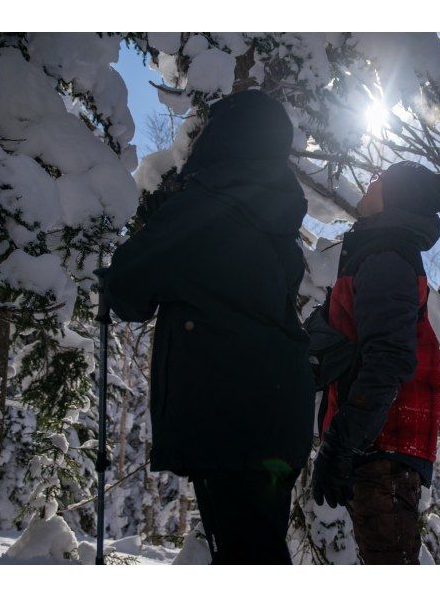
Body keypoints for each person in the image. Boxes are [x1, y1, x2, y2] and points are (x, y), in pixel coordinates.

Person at [102, 90, 315, 564]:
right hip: (277, 415)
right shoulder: (277, 216)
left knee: (244, 558)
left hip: (229, 419)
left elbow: (128, 288)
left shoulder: (206, 207)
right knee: (257, 552)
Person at [311, 161, 440, 565]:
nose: (370, 183)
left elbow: (388, 359)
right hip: (379, 442)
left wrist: (342, 443)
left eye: (380, 181)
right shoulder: (379, 253)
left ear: (394, 198)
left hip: (381, 443)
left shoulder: (386, 257)